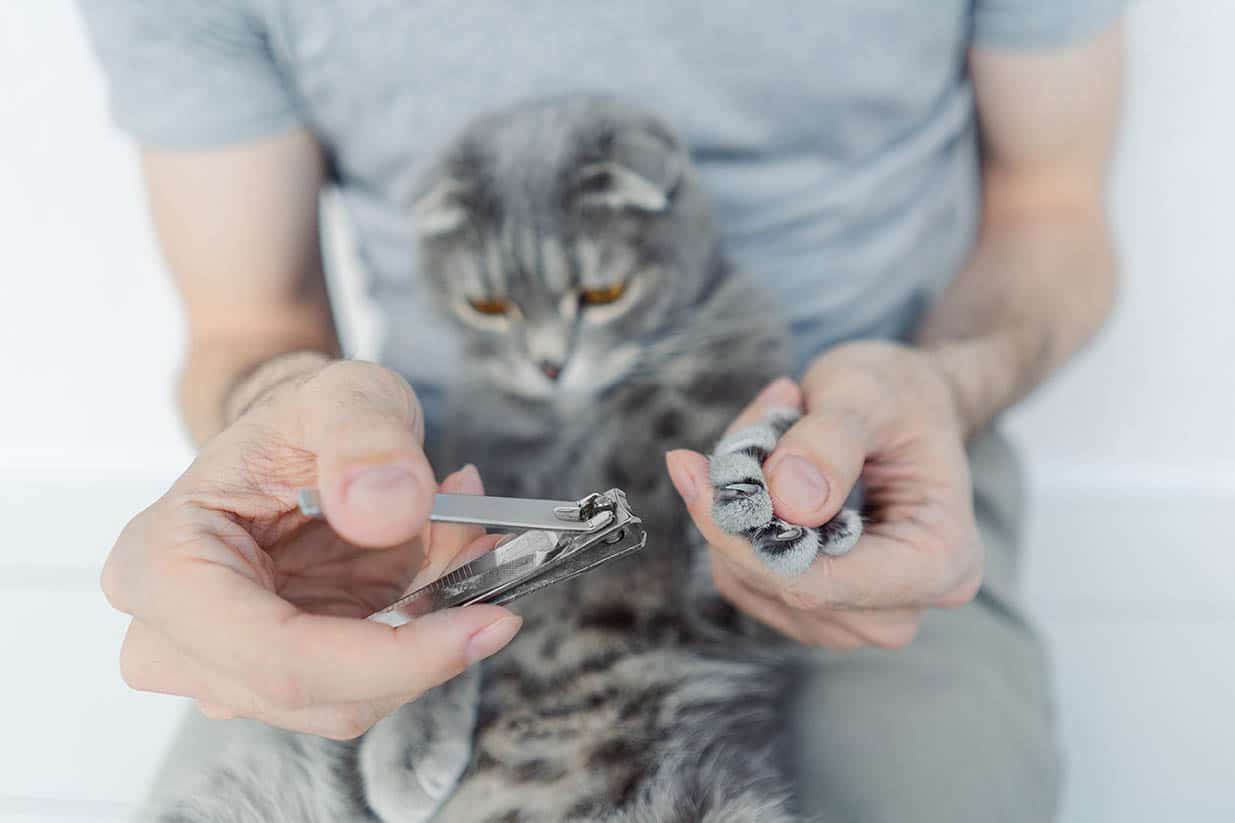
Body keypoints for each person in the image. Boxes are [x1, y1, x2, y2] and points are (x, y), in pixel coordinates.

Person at [78, 2, 1125, 820]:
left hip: (875, 441)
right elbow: (246, 320)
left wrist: (939, 386)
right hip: (430, 478)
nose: (548, 351)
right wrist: (283, 422)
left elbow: (1054, 208)